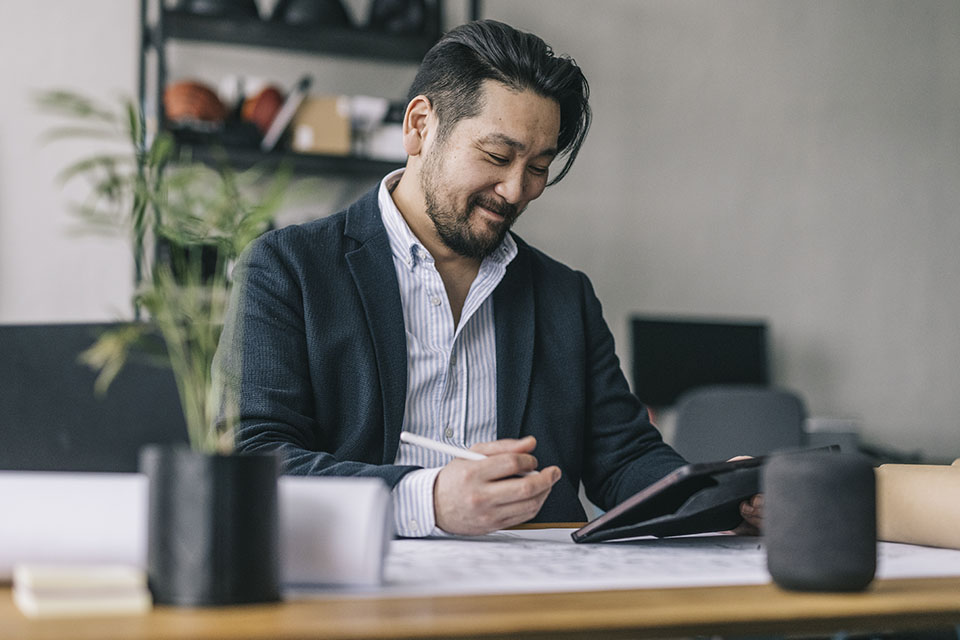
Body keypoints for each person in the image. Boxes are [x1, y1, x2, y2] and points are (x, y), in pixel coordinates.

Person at [214, 19, 763, 537]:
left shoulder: (564, 296)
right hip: (364, 579)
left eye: (539, 167)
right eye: (498, 155)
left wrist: (716, 495)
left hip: (534, 589)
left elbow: (625, 457)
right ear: (420, 126)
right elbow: (254, 455)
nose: (517, 190)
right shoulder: (287, 268)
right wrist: (429, 499)